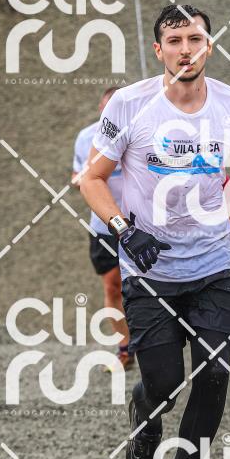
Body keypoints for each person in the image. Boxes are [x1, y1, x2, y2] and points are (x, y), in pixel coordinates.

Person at [80, 4, 230, 459]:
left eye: (195, 39)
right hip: (150, 269)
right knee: (163, 383)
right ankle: (146, 413)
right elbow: (91, 179)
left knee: (213, 374)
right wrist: (125, 230)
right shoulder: (129, 104)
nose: (186, 50)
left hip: (214, 264)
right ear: (159, 49)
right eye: (176, 41)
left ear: (210, 45)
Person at [72, 86, 132, 368]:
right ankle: (125, 349)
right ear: (101, 109)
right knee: (113, 287)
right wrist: (84, 178)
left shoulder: (140, 133)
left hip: (140, 223)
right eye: (108, 109)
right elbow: (77, 176)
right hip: (104, 225)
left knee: (149, 287)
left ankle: (155, 346)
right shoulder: (86, 137)